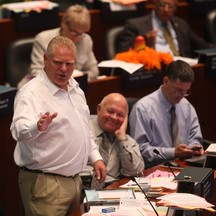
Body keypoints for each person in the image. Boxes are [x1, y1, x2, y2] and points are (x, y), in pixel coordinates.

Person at [10, 36, 106, 216]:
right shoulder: (30, 93)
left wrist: (96, 157)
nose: (64, 69)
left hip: (75, 182)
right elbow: (17, 130)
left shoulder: (75, 89)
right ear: (45, 59)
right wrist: (37, 126)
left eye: (69, 64)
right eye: (58, 63)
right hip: (46, 185)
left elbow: (84, 129)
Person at [129, 60, 204, 168]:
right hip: (155, 170)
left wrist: (195, 147)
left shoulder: (186, 106)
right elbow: (140, 150)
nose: (181, 95)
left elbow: (194, 137)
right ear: (165, 81)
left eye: (186, 91)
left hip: (184, 164)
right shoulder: (143, 109)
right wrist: (173, 152)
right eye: (178, 90)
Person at [17, 4, 99, 89]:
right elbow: (36, 72)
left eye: (81, 34)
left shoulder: (86, 40)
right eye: (74, 33)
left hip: (70, 89)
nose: (77, 38)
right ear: (64, 23)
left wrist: (74, 78)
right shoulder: (43, 39)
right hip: (40, 90)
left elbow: (94, 71)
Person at [118, 0, 216, 58]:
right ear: (155, 4)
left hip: (181, 71)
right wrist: (144, 42)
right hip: (154, 72)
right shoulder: (135, 25)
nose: (166, 9)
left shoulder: (181, 24)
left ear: (176, 8)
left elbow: (203, 45)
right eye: (162, 5)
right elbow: (123, 53)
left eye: (171, 6)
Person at [87, 93, 144, 188]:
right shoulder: (83, 129)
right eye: (110, 111)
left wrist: (121, 138)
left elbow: (136, 172)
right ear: (99, 109)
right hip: (82, 187)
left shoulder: (127, 141)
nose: (114, 117)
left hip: (111, 191)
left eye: (120, 115)